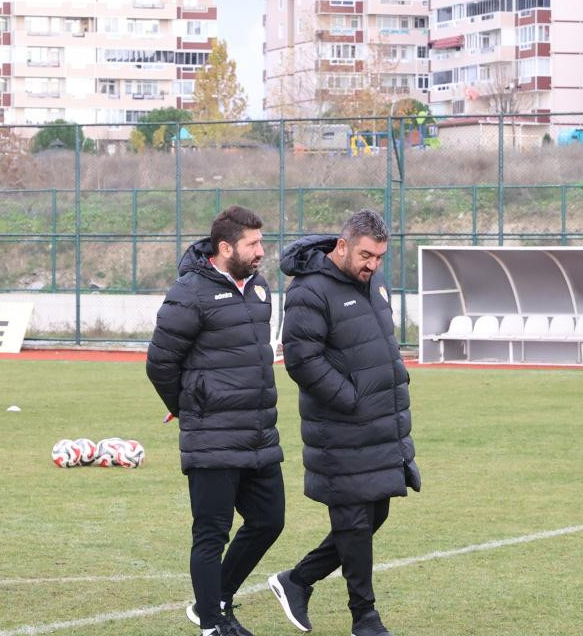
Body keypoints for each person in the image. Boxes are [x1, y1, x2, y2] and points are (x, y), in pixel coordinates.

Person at [268, 209, 419, 636]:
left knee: (375, 514)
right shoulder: (309, 290)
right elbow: (301, 359)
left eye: (379, 257)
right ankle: (364, 617)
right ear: (342, 245)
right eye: (366, 255)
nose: (372, 264)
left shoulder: (375, 283)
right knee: (353, 521)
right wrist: (350, 399)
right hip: (339, 428)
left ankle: (296, 580)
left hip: (379, 425)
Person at [146, 206, 284, 636]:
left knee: (269, 520)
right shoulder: (190, 292)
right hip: (212, 435)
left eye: (261, 242)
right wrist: (189, 405)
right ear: (225, 247)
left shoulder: (259, 288)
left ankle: (216, 600)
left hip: (259, 432)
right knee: (211, 534)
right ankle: (212, 624)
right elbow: (159, 363)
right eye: (252, 244)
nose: (261, 251)